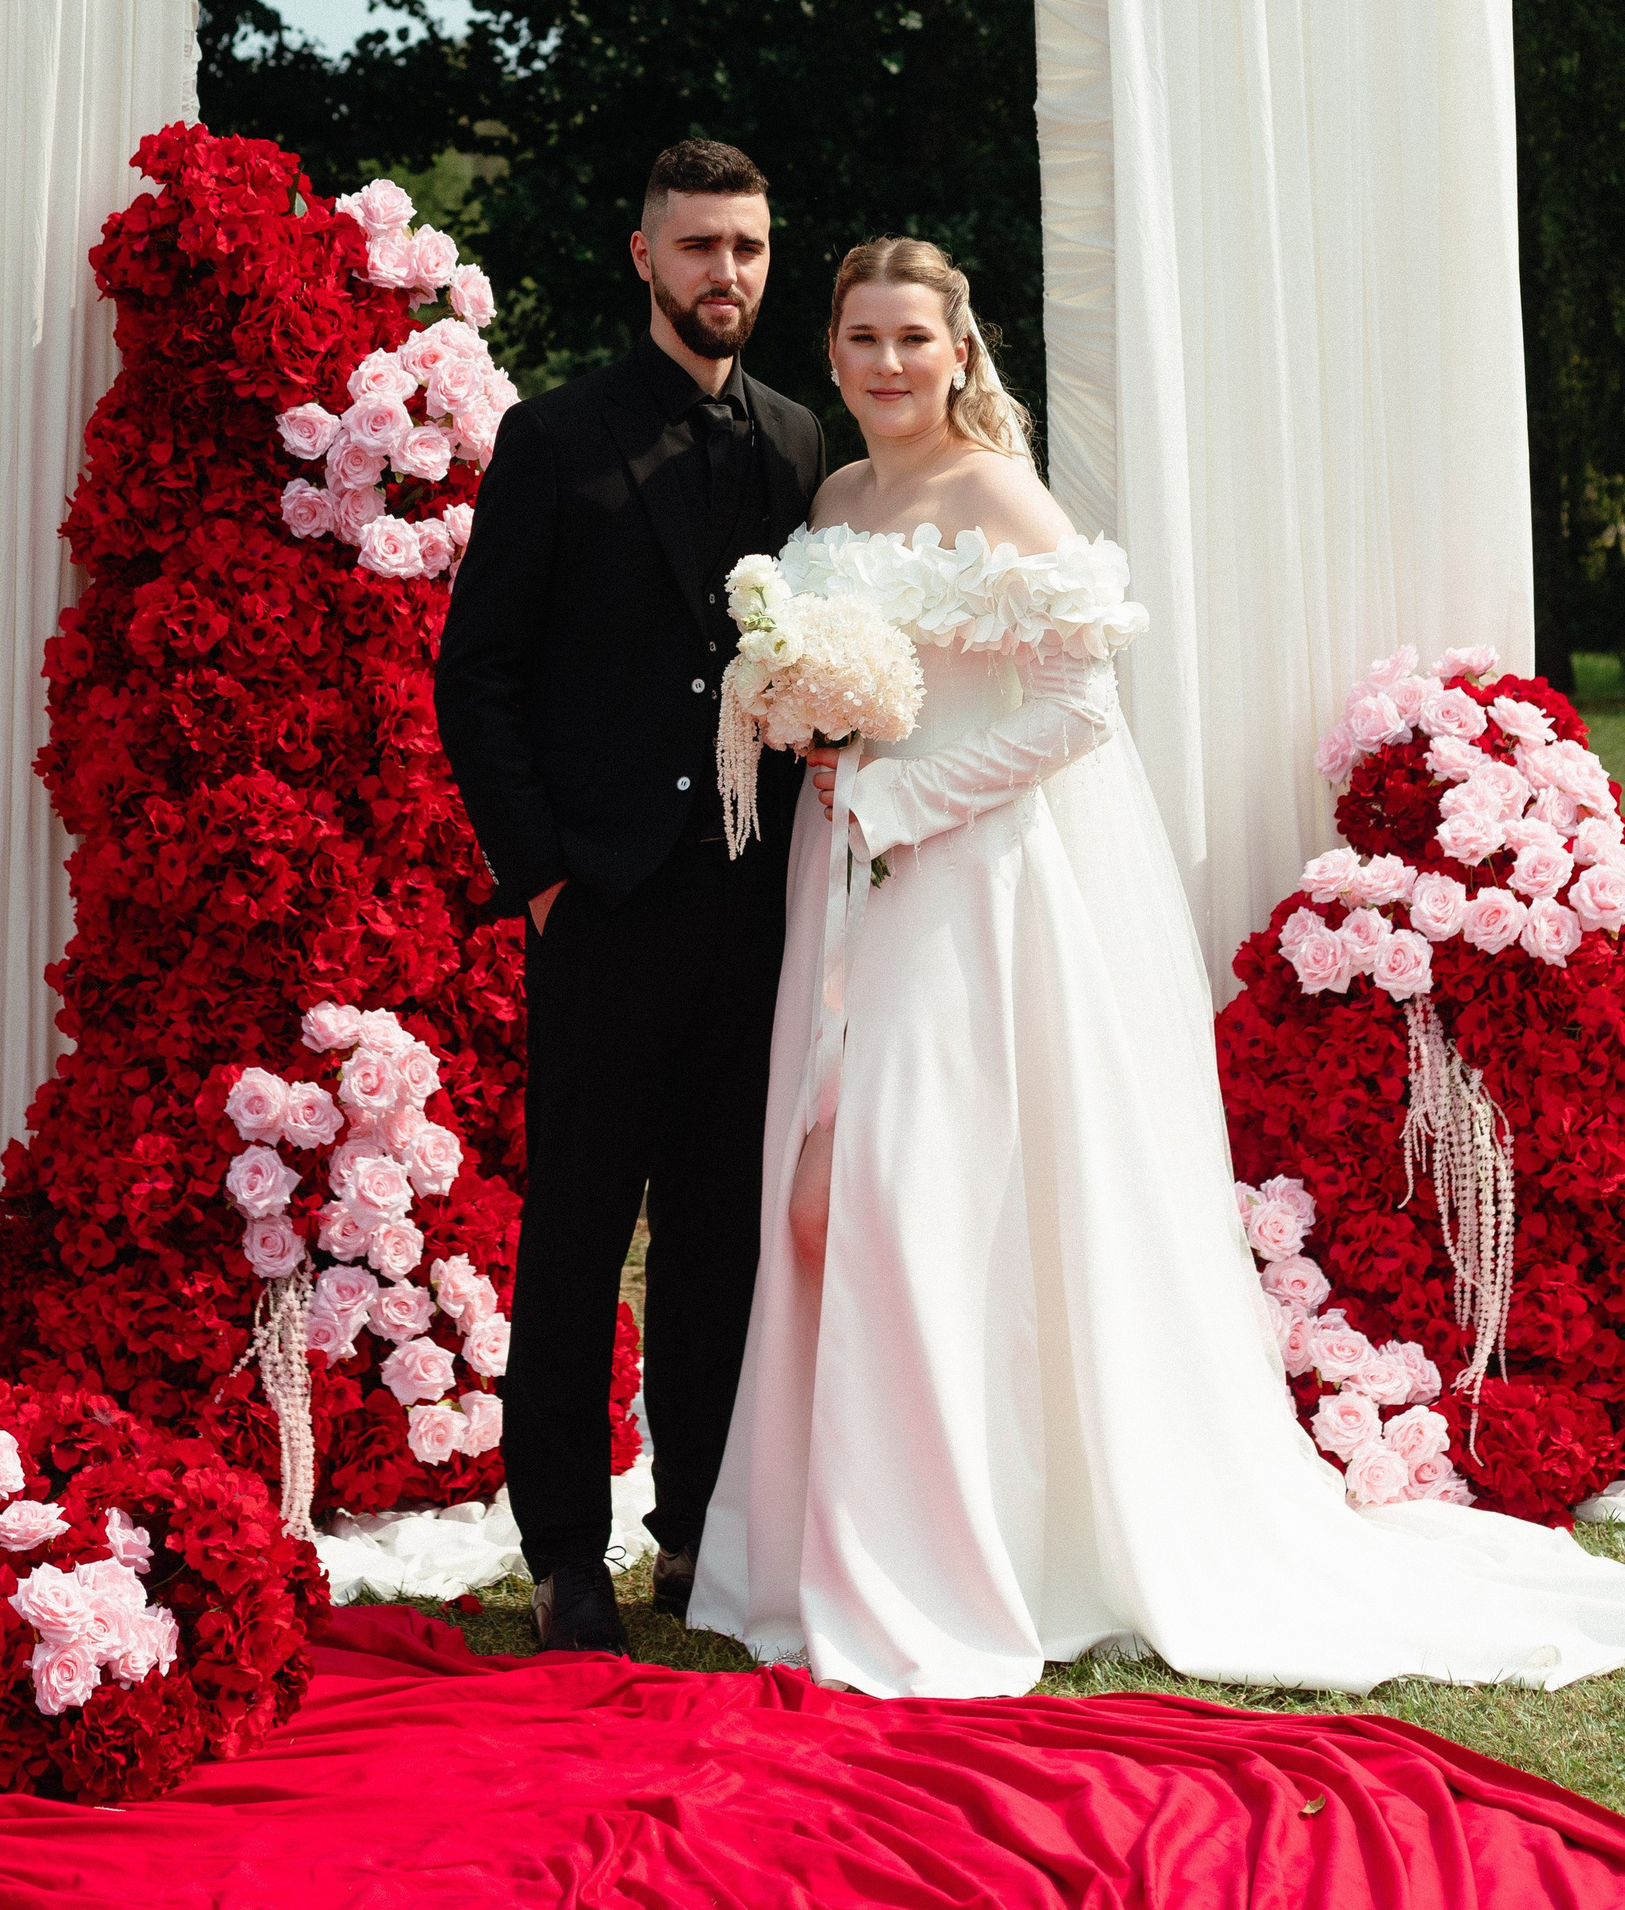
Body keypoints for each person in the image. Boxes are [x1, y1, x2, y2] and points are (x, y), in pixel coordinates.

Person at [691, 235, 1625, 1696]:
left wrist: (906, 795)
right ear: (832, 350)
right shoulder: (834, 497)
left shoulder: (1002, 495)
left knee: (909, 1186)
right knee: (822, 1188)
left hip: (966, 882)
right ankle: (848, 1529)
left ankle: (960, 1550)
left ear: (959, 350)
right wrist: (817, 732)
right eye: (863, 337)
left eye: (914, 338)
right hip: (848, 870)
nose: (888, 363)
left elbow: (1077, 706)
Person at [435, 139, 827, 1654]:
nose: (726, 271)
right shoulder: (554, 436)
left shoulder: (802, 441)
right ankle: (561, 1550)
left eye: (747, 246)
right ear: (644, 255)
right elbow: (478, 676)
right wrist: (542, 876)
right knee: (579, 1234)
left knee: (721, 1241)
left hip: (757, 908)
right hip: (599, 903)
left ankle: (697, 1530)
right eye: (699, 244)